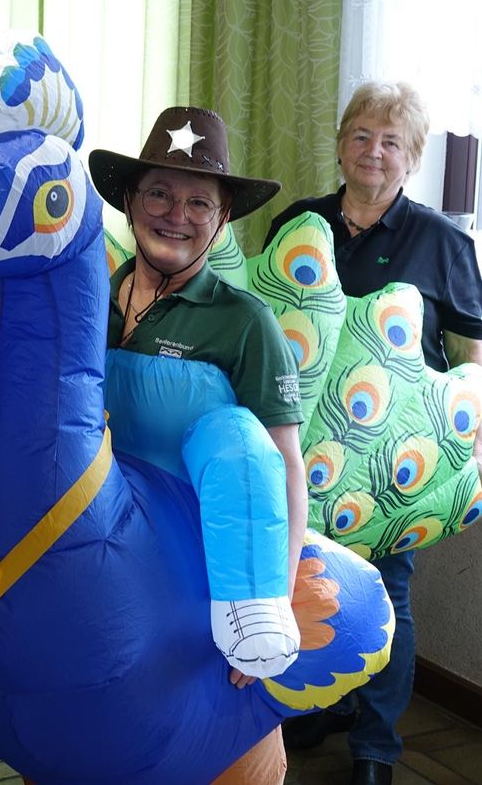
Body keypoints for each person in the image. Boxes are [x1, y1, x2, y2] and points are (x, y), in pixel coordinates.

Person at [265, 81, 482, 785]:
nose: (374, 151)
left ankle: (376, 746)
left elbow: (472, 351)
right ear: (340, 145)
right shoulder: (299, 222)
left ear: (412, 157)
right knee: (305, 581)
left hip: (394, 466)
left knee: (388, 594)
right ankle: (317, 705)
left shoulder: (443, 241)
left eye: (391, 141)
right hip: (297, 450)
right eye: (361, 135)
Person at [88, 106, 309, 784]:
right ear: (130, 201)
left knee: (217, 760)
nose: (175, 215)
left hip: (205, 591)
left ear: (222, 219)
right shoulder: (92, 299)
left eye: (199, 202)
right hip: (100, 577)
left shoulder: (245, 323)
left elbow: (284, 470)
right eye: (158, 193)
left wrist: (269, 601)